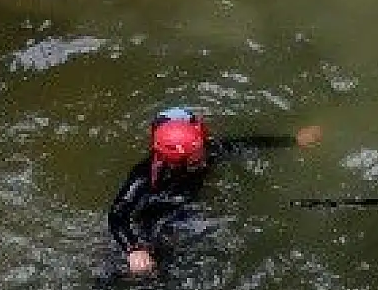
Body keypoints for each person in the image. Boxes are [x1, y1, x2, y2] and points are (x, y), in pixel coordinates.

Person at [109, 107, 322, 277]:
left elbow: (246, 144)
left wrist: (293, 141)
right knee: (150, 270)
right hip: (155, 222)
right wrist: (133, 249)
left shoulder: (207, 151)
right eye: (196, 153)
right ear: (179, 160)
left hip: (185, 210)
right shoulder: (144, 175)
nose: (204, 153)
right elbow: (118, 213)